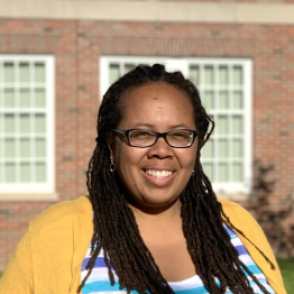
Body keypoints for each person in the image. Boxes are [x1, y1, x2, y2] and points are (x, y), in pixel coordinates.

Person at [0, 64, 286, 294]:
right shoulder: (55, 232)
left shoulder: (237, 224)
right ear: (112, 145)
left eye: (178, 135)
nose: (162, 151)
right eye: (142, 134)